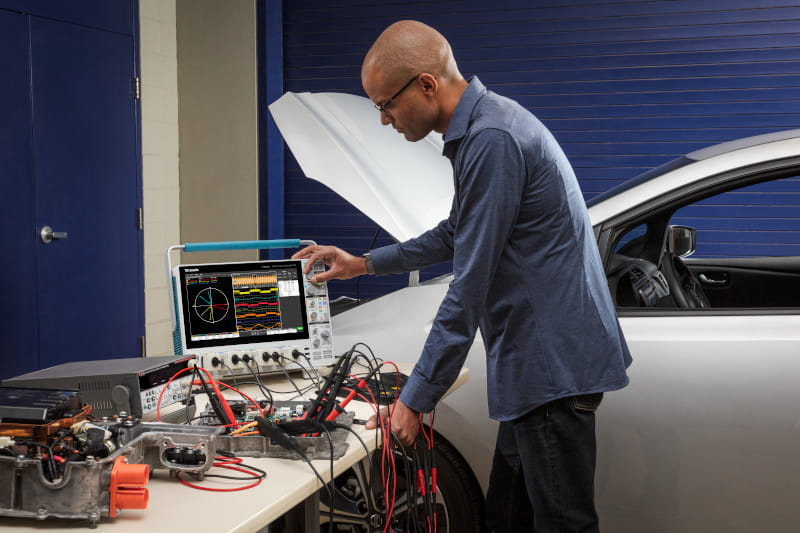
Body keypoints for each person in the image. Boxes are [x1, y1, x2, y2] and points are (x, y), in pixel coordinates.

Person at [292, 20, 632, 533]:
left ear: (426, 85)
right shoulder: (485, 129)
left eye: (385, 105)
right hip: (537, 373)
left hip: (551, 373)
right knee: (507, 517)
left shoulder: (492, 139)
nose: (383, 120)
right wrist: (363, 263)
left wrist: (415, 397)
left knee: (563, 524)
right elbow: (458, 231)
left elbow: (467, 288)